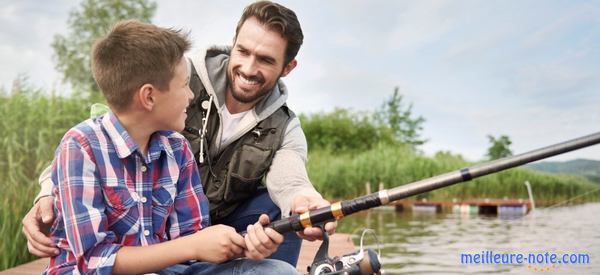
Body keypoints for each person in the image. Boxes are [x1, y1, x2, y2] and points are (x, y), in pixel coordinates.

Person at [23, 0, 336, 267]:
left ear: (288, 67)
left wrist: (300, 203)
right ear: (233, 42)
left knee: (274, 213)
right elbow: (106, 130)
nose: (248, 67)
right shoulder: (174, 76)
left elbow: (291, 179)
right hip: (168, 240)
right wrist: (50, 194)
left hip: (200, 230)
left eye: (266, 60)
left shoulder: (283, 125)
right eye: (243, 51)